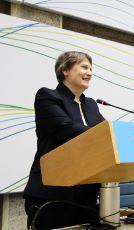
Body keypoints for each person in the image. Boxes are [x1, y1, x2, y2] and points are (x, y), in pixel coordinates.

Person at [23, 51, 105, 229]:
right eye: (84, 67)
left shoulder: (90, 104)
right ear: (66, 69)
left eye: (91, 68)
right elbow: (67, 129)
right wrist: (106, 137)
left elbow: (106, 133)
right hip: (53, 193)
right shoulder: (48, 96)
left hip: (87, 194)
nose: (90, 72)